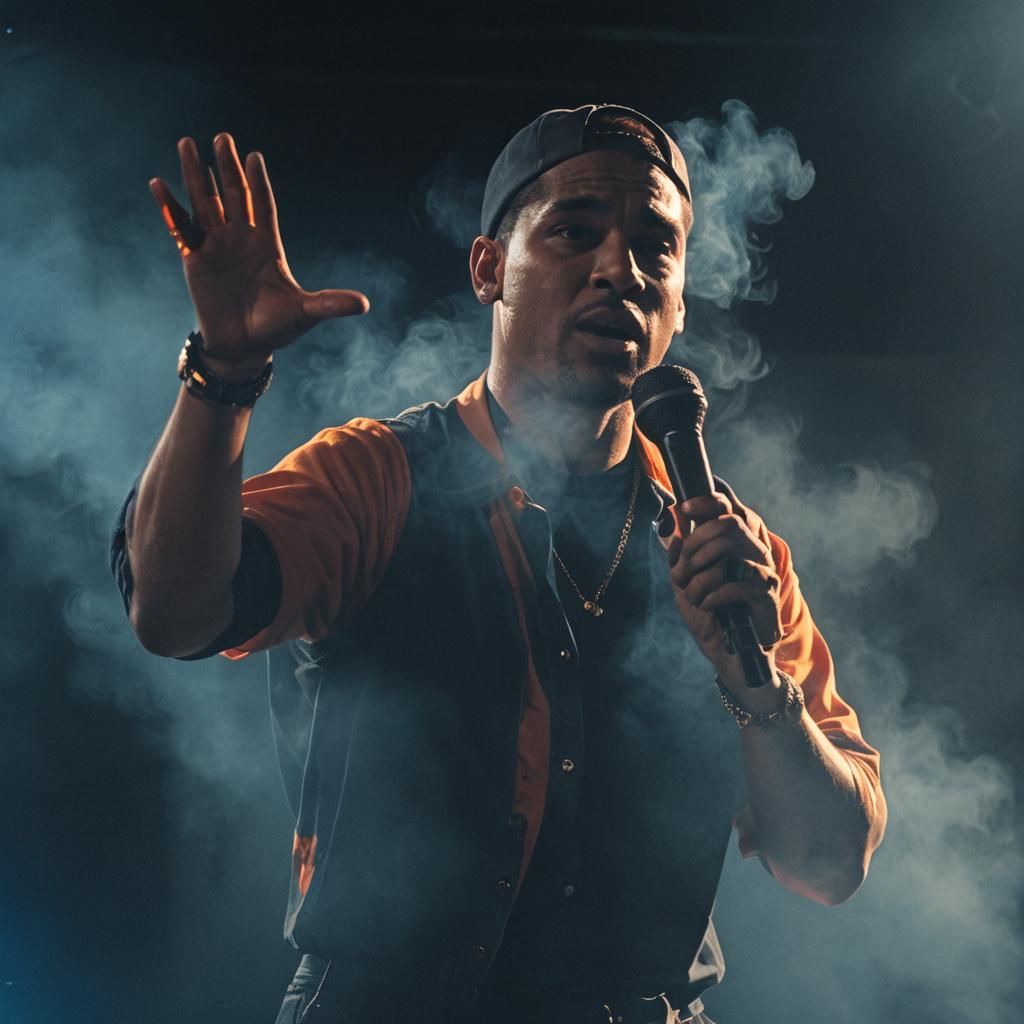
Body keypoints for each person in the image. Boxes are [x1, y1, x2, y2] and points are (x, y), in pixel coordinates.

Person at [111, 104, 887, 1024]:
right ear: (489, 269)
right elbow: (174, 612)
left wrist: (757, 689)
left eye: (656, 247)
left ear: (680, 300)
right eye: (574, 231)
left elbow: (830, 864)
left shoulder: (734, 555)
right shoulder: (377, 477)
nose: (621, 269)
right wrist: (224, 373)